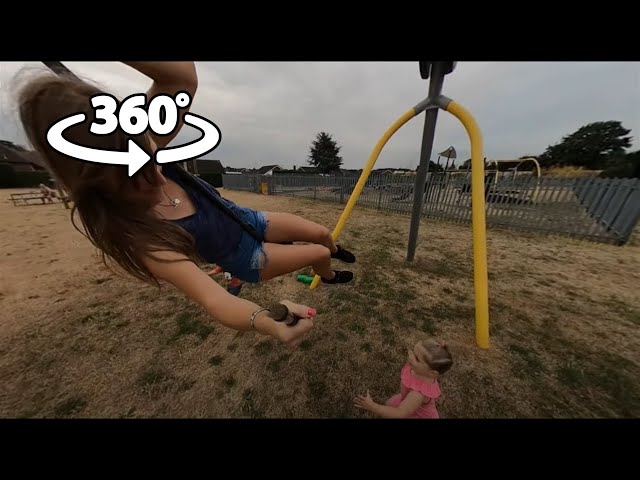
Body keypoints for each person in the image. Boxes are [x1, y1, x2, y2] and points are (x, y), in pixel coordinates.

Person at [15, 61, 356, 348]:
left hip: (247, 218)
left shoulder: (136, 141)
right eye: (141, 177)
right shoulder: (141, 236)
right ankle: (326, 276)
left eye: (154, 161)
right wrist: (266, 321)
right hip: (247, 257)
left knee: (321, 234)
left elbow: (180, 77)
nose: (161, 178)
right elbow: (214, 298)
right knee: (319, 253)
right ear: (106, 193)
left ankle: (332, 251)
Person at [353, 339, 453, 418]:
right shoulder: (420, 370)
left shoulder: (417, 394)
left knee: (393, 409)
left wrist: (372, 406)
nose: (410, 357)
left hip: (416, 414)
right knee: (391, 403)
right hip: (407, 399)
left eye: (417, 358)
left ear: (432, 373)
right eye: (413, 352)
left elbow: (400, 413)